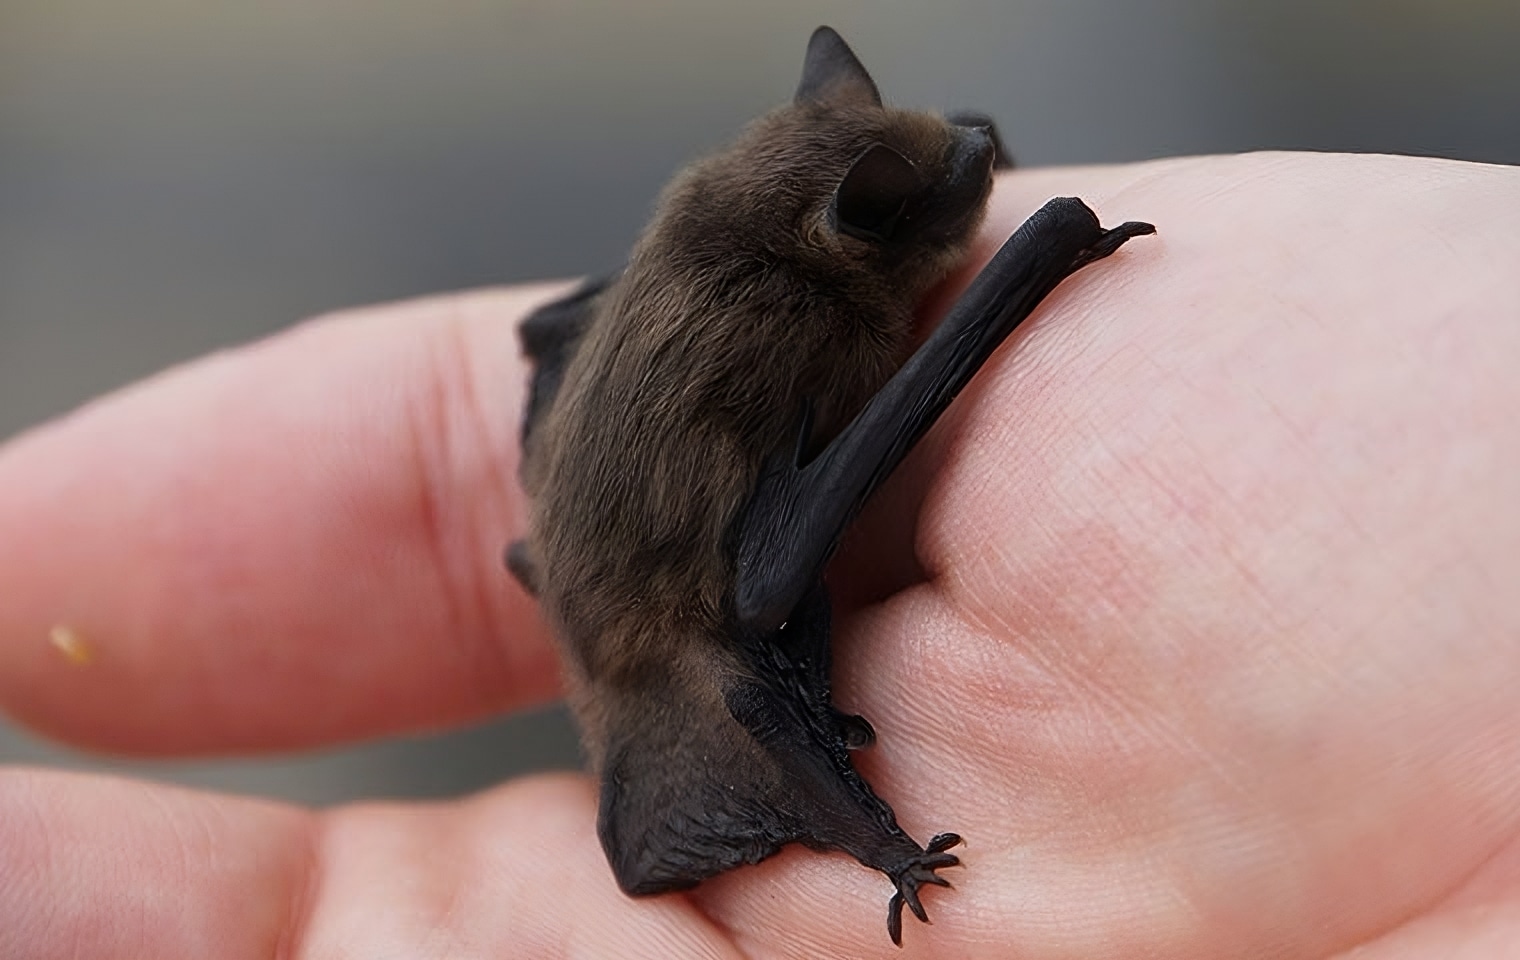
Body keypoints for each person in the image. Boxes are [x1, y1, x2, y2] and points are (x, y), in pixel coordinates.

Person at [2, 152, 1517, 958]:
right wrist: (887, 848)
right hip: (672, 601)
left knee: (773, 558)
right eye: (936, 191)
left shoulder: (698, 265)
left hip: (610, 524)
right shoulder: (830, 310)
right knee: (762, 591)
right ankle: (854, 824)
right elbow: (754, 577)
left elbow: (569, 340)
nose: (970, 179)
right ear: (864, 236)